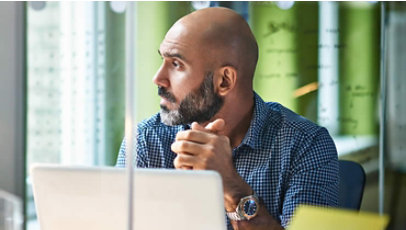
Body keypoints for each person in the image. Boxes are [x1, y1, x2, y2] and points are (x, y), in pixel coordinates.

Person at [116, 7, 338, 230]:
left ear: (224, 81)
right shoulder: (145, 141)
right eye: (162, 60)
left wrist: (231, 186)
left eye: (176, 64)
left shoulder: (307, 146)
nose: (158, 78)